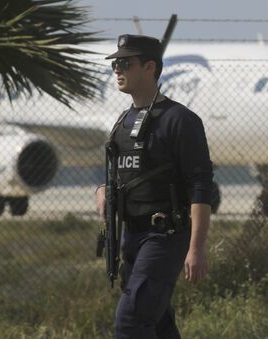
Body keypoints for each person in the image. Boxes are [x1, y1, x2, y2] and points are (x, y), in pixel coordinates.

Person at [94, 34, 213, 339]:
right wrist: (102, 191)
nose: (117, 70)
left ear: (149, 67)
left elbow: (201, 186)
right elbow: (118, 175)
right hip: (131, 236)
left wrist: (196, 248)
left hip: (164, 236)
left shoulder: (180, 120)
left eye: (125, 63)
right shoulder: (123, 121)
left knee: (131, 322)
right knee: (158, 324)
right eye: (115, 64)